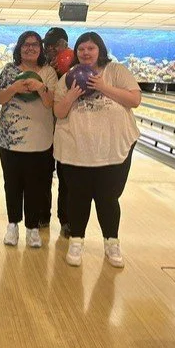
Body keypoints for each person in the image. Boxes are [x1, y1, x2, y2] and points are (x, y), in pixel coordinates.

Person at [53, 31, 141, 268]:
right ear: (76, 53)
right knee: (77, 198)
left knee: (107, 198)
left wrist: (103, 86)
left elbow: (134, 100)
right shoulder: (68, 78)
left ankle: (111, 243)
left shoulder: (116, 71)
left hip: (112, 149)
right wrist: (71, 95)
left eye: (90, 48)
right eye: (81, 49)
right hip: (76, 150)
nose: (85, 52)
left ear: (100, 50)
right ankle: (76, 241)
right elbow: (59, 112)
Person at [0, 31, 57, 248]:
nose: (30, 48)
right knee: (12, 185)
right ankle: (12, 225)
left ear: (40, 48)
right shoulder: (10, 71)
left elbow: (51, 103)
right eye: (25, 45)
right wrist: (14, 87)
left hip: (40, 139)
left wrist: (40, 87)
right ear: (19, 48)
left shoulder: (48, 72)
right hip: (10, 139)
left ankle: (32, 229)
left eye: (34, 45)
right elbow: (0, 98)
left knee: (35, 187)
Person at [41, 27, 71, 237]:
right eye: (47, 45)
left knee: (66, 178)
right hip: (45, 129)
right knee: (43, 175)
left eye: (53, 45)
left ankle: (66, 220)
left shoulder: (77, 66)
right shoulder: (45, 66)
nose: (49, 49)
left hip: (68, 131)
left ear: (64, 44)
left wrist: (63, 72)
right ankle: (43, 215)